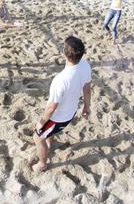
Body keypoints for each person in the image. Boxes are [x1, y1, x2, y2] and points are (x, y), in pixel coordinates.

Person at [32, 36, 91, 172]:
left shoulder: (60, 80)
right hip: (72, 111)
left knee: (37, 137)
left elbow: (52, 108)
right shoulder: (85, 65)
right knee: (47, 133)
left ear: (65, 54)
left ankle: (42, 164)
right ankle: (50, 141)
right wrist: (87, 107)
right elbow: (87, 89)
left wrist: (41, 122)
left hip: (59, 118)